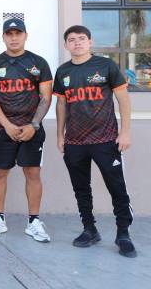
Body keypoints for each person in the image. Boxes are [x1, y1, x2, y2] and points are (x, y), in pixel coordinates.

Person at [54, 25, 136, 258]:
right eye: (72, 39)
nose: (77, 43)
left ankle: (123, 233)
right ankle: (89, 229)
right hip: (75, 142)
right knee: (81, 189)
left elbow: (123, 99)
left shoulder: (106, 66)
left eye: (82, 38)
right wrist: (60, 135)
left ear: (90, 42)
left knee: (117, 187)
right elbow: (61, 104)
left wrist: (125, 132)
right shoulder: (63, 71)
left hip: (106, 140)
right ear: (66, 45)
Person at [0, 18, 52, 242]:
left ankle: (34, 222)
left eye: (18, 33)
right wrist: (7, 125)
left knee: (32, 173)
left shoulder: (38, 63)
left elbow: (46, 97)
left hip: (32, 129)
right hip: (2, 128)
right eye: (9, 34)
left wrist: (34, 125)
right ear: (3, 37)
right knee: (0, 173)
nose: (14, 38)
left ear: (25, 36)